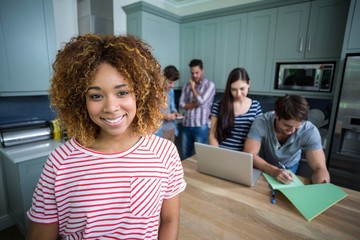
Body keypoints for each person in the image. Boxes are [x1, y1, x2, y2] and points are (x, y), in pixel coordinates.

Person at [26, 34, 186, 240]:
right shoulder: (59, 163)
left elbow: (170, 220)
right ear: (79, 101)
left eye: (122, 92)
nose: (111, 107)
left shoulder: (165, 154)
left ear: (141, 94)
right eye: (96, 95)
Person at [243, 94, 330, 184]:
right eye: (287, 125)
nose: (292, 130)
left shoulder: (310, 131)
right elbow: (250, 154)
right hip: (263, 164)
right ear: (276, 114)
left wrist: (322, 186)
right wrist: (273, 171)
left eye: (297, 126)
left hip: (290, 166)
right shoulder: (261, 122)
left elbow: (320, 168)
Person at [209, 67, 262, 151]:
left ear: (248, 83)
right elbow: (213, 135)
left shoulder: (255, 106)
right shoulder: (219, 106)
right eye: (233, 89)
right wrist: (217, 155)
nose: (238, 94)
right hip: (222, 153)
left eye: (242, 89)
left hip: (244, 156)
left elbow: (258, 136)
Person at [179, 59, 215, 159]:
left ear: (202, 70)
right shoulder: (186, 86)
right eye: (192, 73)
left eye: (197, 72)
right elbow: (182, 104)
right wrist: (195, 104)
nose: (194, 75)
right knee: (185, 155)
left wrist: (193, 88)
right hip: (186, 125)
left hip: (201, 126)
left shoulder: (210, 85)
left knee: (200, 157)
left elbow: (202, 102)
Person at [156, 65, 181, 142]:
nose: (172, 86)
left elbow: (172, 107)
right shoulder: (155, 93)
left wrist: (175, 113)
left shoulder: (171, 91)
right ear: (163, 78)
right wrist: (165, 116)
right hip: (159, 131)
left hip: (171, 128)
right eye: (170, 82)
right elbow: (152, 114)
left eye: (174, 83)